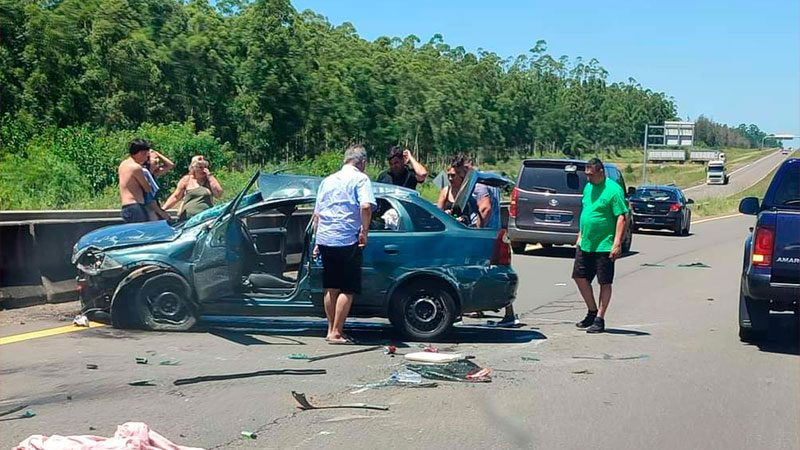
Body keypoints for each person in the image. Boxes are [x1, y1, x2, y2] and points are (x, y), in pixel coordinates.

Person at [313, 145, 376, 344]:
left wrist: (316, 241)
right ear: (363, 163)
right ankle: (337, 332)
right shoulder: (360, 179)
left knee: (331, 286)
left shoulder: (328, 180)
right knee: (347, 288)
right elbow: (365, 206)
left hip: (325, 237)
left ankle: (331, 330)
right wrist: (364, 232)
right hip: (347, 238)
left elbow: (317, 214)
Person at [573, 158, 628, 333]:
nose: (588, 178)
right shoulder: (588, 187)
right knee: (579, 277)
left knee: (604, 282)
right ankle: (592, 311)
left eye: (591, 175)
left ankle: (600, 319)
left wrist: (617, 243)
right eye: (586, 174)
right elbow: (586, 212)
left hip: (605, 244)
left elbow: (621, 217)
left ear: (601, 172)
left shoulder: (613, 190)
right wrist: (580, 235)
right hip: (586, 242)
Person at [162, 156, 224, 220]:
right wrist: (163, 209)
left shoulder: (209, 181)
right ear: (193, 168)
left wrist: (210, 176)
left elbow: (219, 194)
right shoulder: (186, 180)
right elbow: (176, 196)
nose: (203, 170)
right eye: (200, 167)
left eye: (205, 167)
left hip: (205, 219)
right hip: (187, 219)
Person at [436, 155, 479, 226]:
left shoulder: (470, 189)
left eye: (453, 176)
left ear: (460, 175)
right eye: (448, 176)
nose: (450, 179)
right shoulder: (446, 191)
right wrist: (445, 213)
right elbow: (438, 212)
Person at [118, 139, 154, 223]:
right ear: (140, 153)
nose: (146, 157)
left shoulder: (123, 164)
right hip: (136, 205)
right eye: (145, 154)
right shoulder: (136, 167)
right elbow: (147, 188)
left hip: (126, 206)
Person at [142, 148, 174, 221]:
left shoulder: (154, 173)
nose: (158, 160)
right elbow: (148, 197)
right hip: (148, 207)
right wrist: (161, 213)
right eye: (155, 158)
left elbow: (170, 165)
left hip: (155, 205)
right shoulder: (144, 173)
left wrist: (156, 153)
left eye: (158, 158)